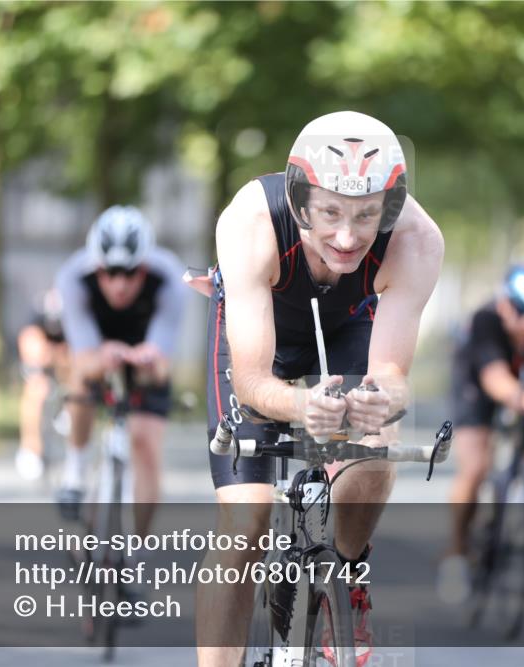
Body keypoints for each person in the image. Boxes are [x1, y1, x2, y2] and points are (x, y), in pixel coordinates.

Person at [196, 111, 444, 667]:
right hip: (267, 344)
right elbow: (255, 379)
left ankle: (348, 576)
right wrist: (301, 405)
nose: (348, 236)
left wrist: (382, 401)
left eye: (366, 215)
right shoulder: (251, 222)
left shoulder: (417, 241)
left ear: (392, 207)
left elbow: (394, 378)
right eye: (330, 212)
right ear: (300, 198)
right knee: (243, 524)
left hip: (354, 326)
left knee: (375, 449)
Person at [438, 264, 524, 604]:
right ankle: (456, 550)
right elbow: (494, 380)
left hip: (521, 381)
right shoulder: (485, 321)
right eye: (521, 313)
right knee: (476, 466)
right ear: (503, 304)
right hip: (476, 383)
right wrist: (521, 399)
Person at [54, 205, 186, 537]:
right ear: (96, 268)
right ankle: (76, 468)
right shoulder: (73, 277)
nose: (120, 284)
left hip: (145, 360)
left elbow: (160, 366)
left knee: (144, 443)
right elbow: (83, 359)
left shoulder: (169, 276)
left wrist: (148, 359)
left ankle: (136, 551)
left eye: (130, 273)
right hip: (98, 353)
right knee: (80, 379)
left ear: (145, 268)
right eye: (110, 272)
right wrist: (104, 355)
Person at [14, 288, 69, 481]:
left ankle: (67, 408)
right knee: (35, 390)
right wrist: (44, 358)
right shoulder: (36, 318)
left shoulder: (74, 318)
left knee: (74, 370)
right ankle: (30, 448)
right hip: (40, 356)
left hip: (66, 355)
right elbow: (30, 344)